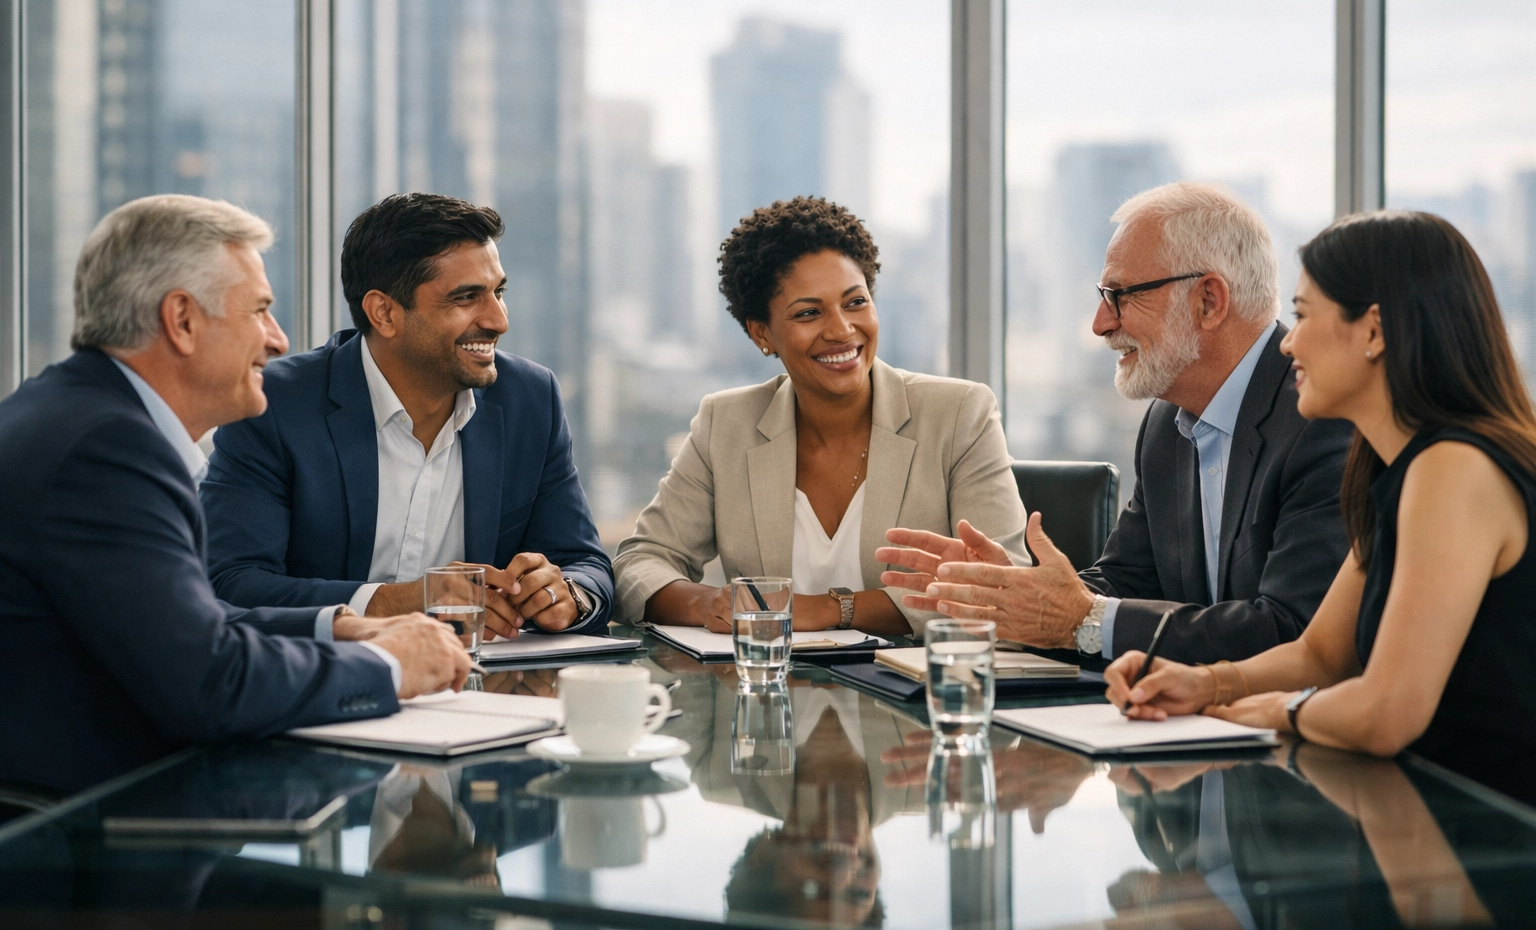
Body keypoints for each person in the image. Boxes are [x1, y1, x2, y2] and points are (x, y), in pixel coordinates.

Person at [0, 195, 472, 796]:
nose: (277, 341)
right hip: (82, 847)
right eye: (260, 311)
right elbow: (207, 684)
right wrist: (390, 665)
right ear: (183, 320)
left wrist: (333, 627)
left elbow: (174, 623)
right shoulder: (109, 450)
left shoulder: (72, 413)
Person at [1106, 210, 1536, 808]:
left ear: (1374, 332)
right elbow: (1321, 653)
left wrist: (1257, 709)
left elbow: (1386, 712)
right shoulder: (1392, 467)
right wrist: (1202, 684)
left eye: (1304, 315)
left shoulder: (1454, 469)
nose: (1287, 340)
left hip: (1494, 837)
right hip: (1420, 817)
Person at [883, 182, 1352, 663]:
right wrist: (1014, 592)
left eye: (1121, 295)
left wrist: (1075, 618)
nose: (1100, 323)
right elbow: (1126, 584)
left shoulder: (1324, 418)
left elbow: (1294, 631)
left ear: (1209, 301)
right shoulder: (1165, 423)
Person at [202, 193, 614, 638]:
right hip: (329, 682)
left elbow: (586, 564)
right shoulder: (275, 404)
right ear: (384, 312)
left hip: (487, 689)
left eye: (498, 292)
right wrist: (402, 603)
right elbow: (229, 582)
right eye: (466, 297)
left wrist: (565, 595)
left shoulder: (530, 400)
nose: (498, 320)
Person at [613, 196, 1027, 636]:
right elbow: (639, 562)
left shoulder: (959, 414)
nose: (841, 330)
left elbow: (1004, 584)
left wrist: (830, 610)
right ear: (761, 332)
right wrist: (707, 603)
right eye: (809, 313)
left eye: (855, 302)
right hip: (769, 690)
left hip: (916, 693)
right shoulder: (726, 424)